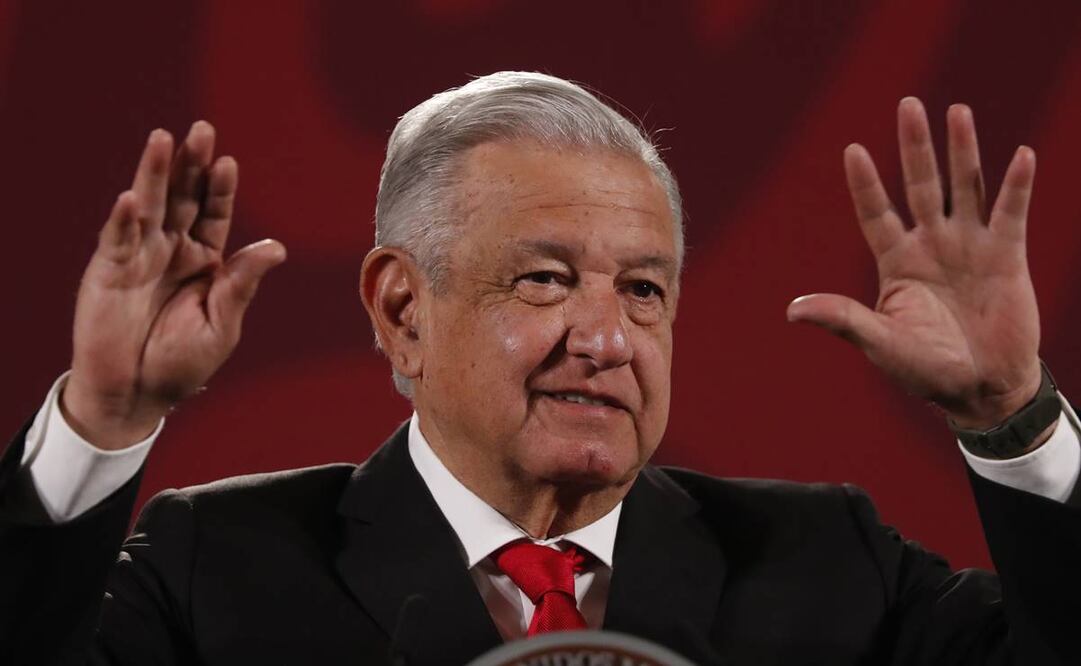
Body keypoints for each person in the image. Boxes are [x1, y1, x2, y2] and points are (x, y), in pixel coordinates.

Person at [1, 71, 1078, 665]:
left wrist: (1012, 418)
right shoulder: (217, 569)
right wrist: (100, 419)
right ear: (402, 311)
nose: (606, 340)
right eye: (546, 280)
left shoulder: (827, 563)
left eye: (643, 290)